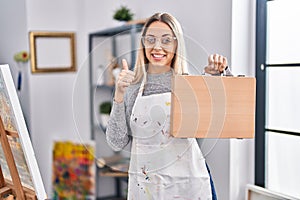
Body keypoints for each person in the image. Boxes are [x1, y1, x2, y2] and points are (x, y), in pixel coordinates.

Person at [106, 12, 231, 199]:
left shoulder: (190, 84)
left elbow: (228, 113)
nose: (157, 47)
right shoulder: (132, 87)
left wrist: (219, 74)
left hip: (189, 184)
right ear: (143, 43)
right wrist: (119, 95)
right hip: (147, 186)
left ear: (176, 44)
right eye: (151, 39)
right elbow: (116, 143)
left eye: (166, 40)